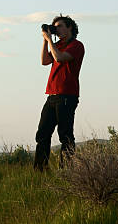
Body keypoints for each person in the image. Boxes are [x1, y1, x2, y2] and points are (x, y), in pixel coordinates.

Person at [34, 15, 84, 171]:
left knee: (65, 135)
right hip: (52, 95)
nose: (58, 29)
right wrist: (45, 40)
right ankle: (40, 170)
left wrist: (50, 41)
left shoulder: (76, 45)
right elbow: (44, 61)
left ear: (70, 27)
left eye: (60, 26)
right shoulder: (57, 45)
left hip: (67, 95)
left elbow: (60, 58)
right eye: (55, 27)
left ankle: (66, 170)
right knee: (42, 134)